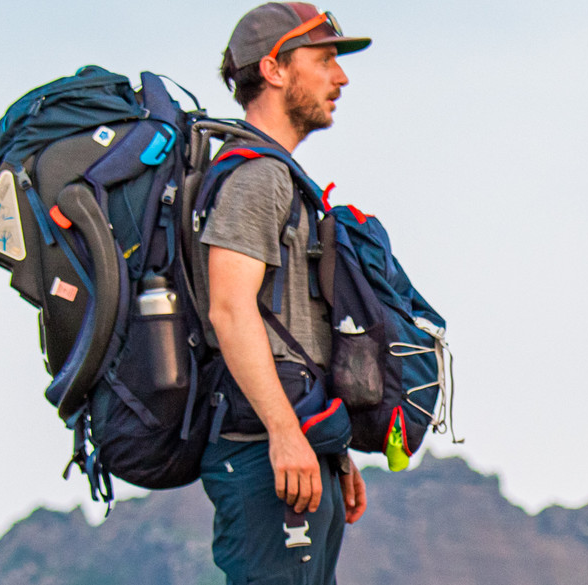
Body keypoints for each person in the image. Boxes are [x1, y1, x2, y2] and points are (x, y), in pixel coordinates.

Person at [199, 3, 372, 583]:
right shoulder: (255, 176)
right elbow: (230, 308)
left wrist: (330, 448)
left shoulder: (280, 176)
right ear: (273, 70)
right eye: (324, 61)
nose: (340, 78)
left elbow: (291, 328)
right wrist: (283, 433)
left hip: (298, 446)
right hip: (263, 450)